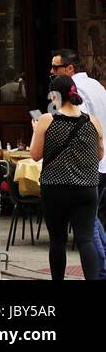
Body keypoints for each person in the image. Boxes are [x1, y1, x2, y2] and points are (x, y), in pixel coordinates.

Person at [31, 75, 103, 281]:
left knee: (57, 240)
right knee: (86, 240)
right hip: (87, 188)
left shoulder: (47, 120)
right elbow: (99, 155)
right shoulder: (93, 122)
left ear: (55, 96)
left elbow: (35, 155)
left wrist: (36, 130)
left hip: (55, 188)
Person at [51, 51, 106, 225]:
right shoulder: (96, 84)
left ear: (69, 68)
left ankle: (101, 252)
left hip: (89, 163)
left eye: (55, 67)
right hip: (100, 158)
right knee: (92, 219)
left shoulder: (74, 90)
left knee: (87, 221)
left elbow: (78, 124)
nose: (51, 71)